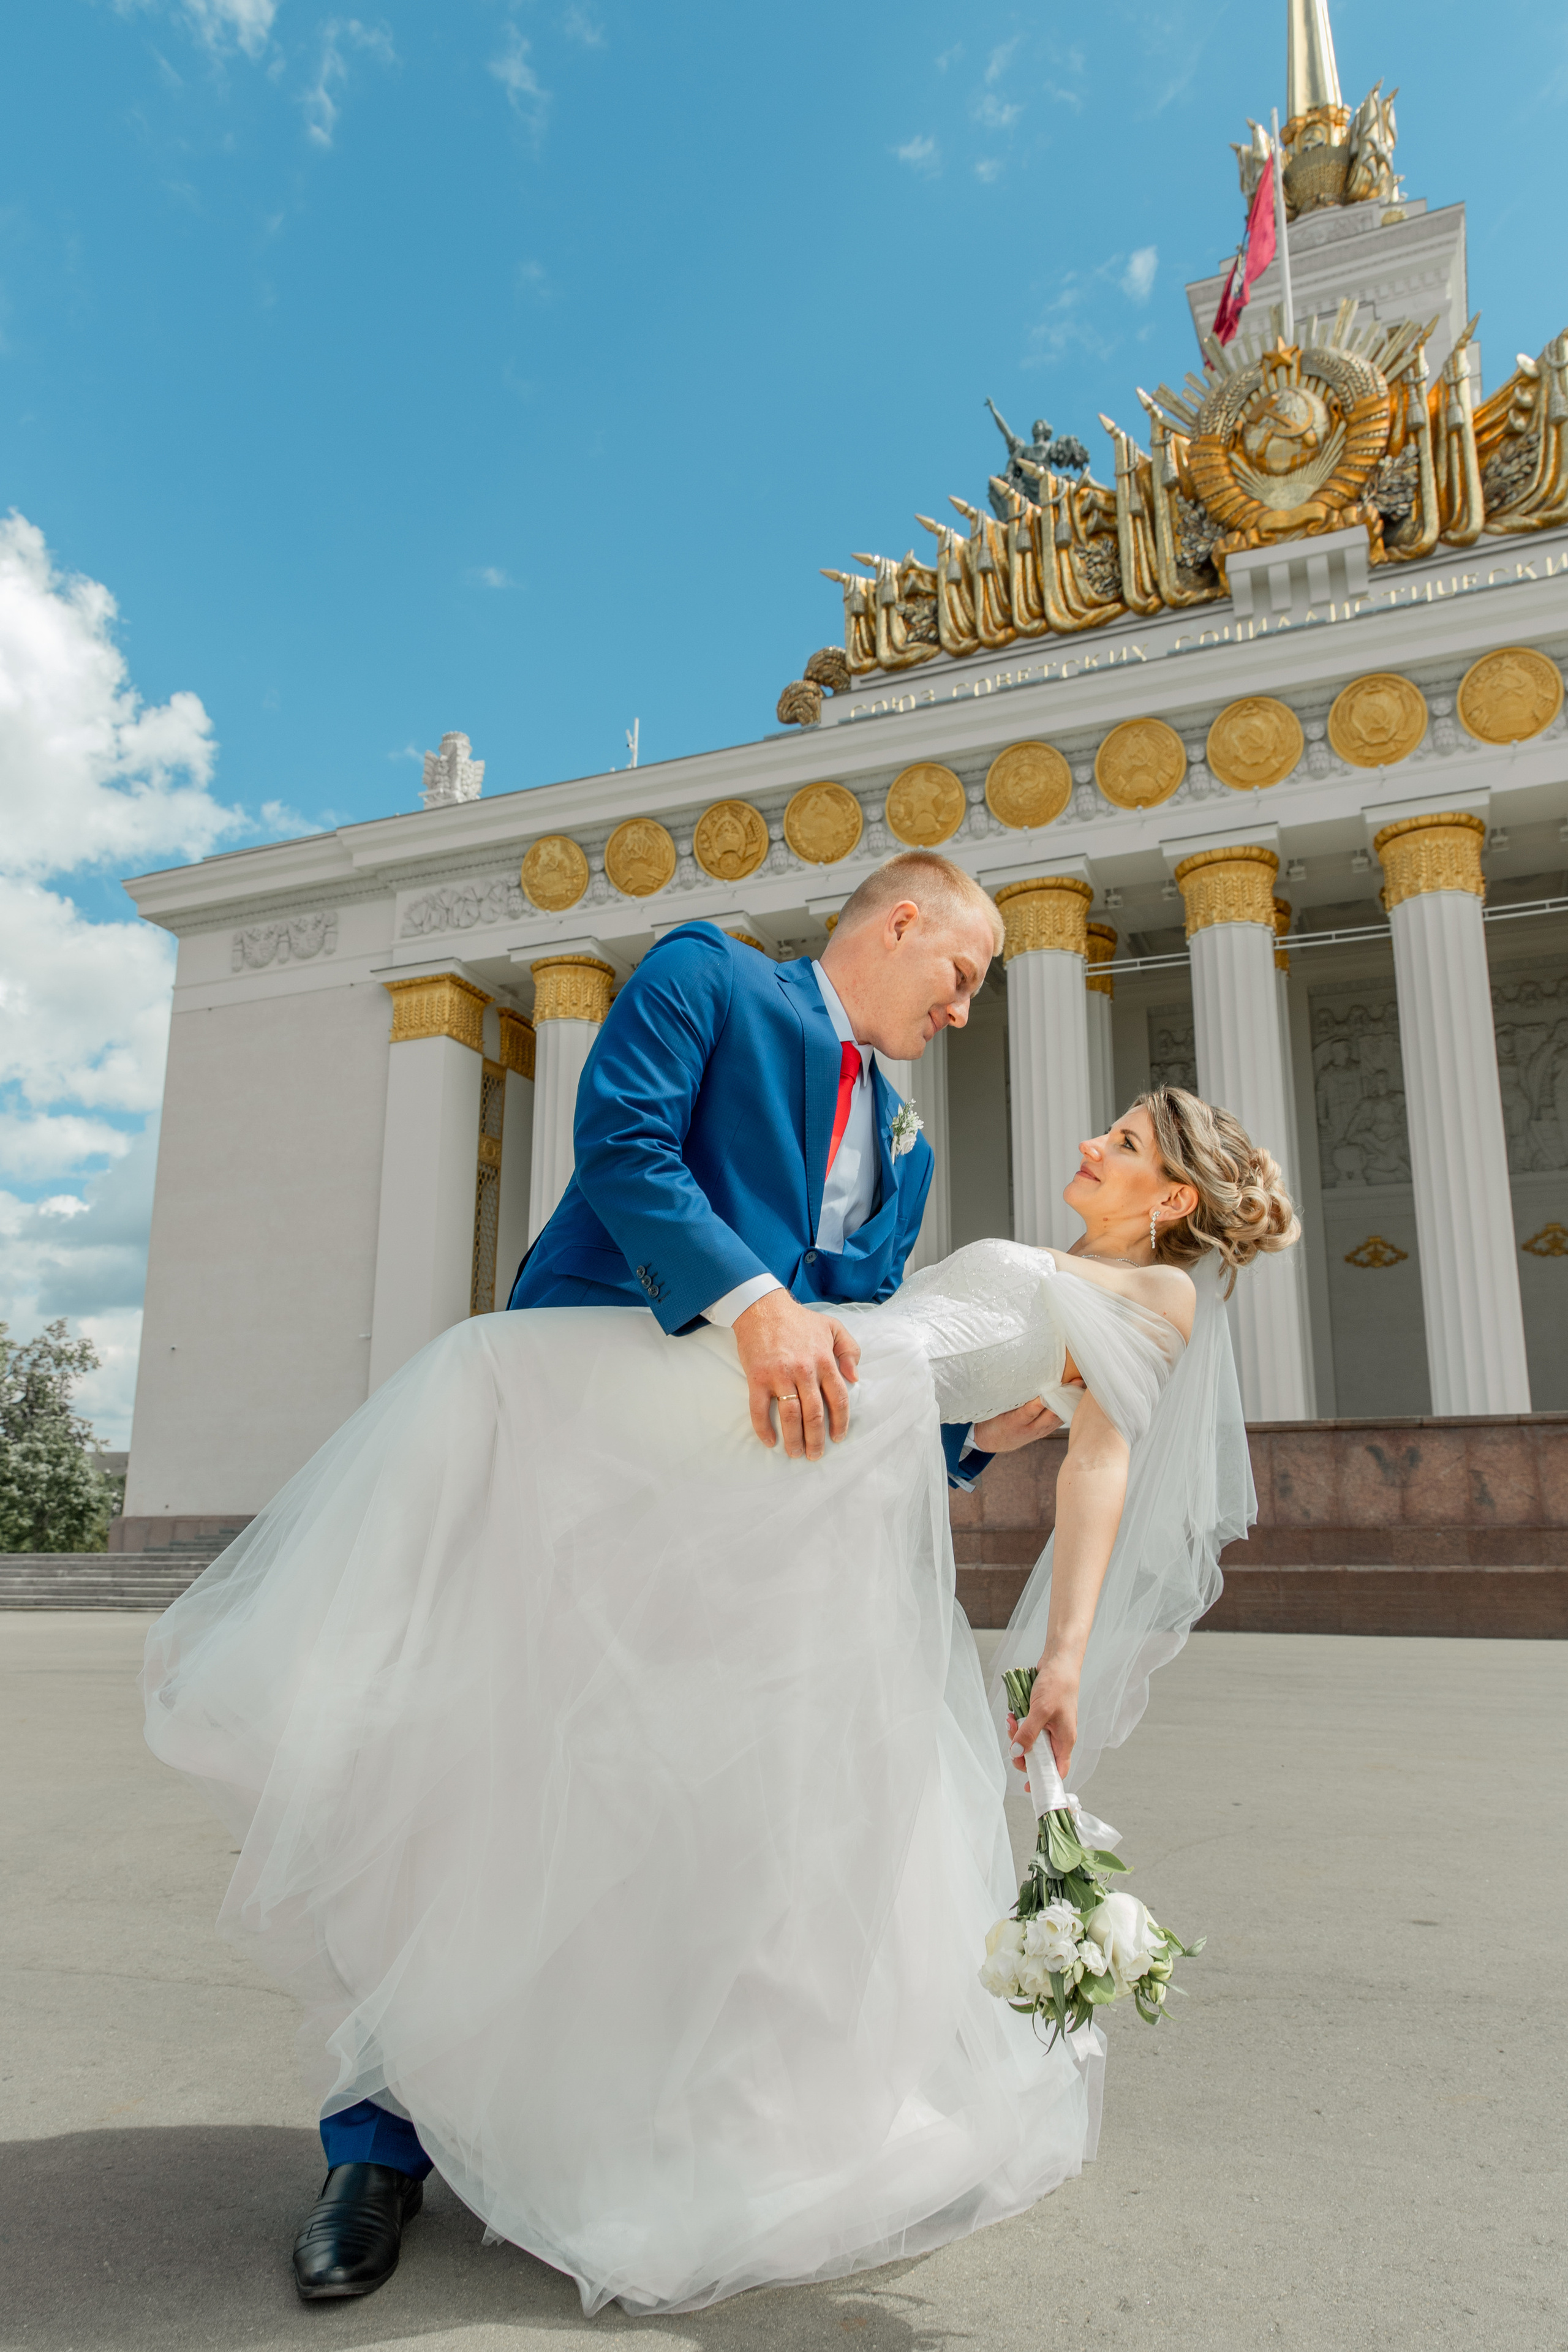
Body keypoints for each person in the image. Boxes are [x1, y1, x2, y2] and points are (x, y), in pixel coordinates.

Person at [142, 878, 1297, 2316]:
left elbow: (861, 1354)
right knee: (463, 1778)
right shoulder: (709, 979)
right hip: (580, 1459)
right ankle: (375, 2150)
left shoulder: (910, 1151)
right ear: (898, 926)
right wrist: (752, 1308)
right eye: (966, 968)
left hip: (756, 1533)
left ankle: (595, 2125)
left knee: (673, 1827)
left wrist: (961, 1443)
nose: (965, 1005)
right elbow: (625, 1152)